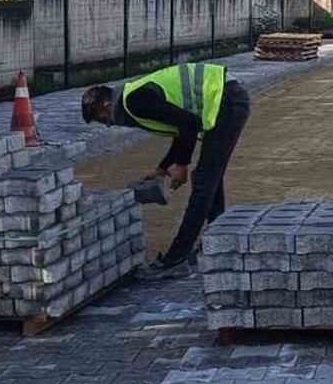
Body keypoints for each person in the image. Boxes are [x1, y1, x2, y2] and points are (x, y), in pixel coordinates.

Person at [81, 63, 250, 279]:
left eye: (103, 119)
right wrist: (161, 169)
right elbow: (181, 130)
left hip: (226, 99)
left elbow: (189, 124)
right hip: (227, 96)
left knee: (204, 180)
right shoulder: (134, 97)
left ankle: (176, 259)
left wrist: (181, 164)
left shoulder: (134, 101)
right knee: (209, 178)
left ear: (105, 104)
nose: (109, 125)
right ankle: (220, 240)